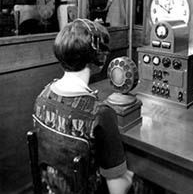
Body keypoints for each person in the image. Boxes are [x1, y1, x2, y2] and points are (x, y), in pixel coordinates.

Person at [33, 18, 133, 194]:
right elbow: (117, 190)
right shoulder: (101, 114)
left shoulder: (42, 97)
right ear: (99, 56)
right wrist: (132, 174)